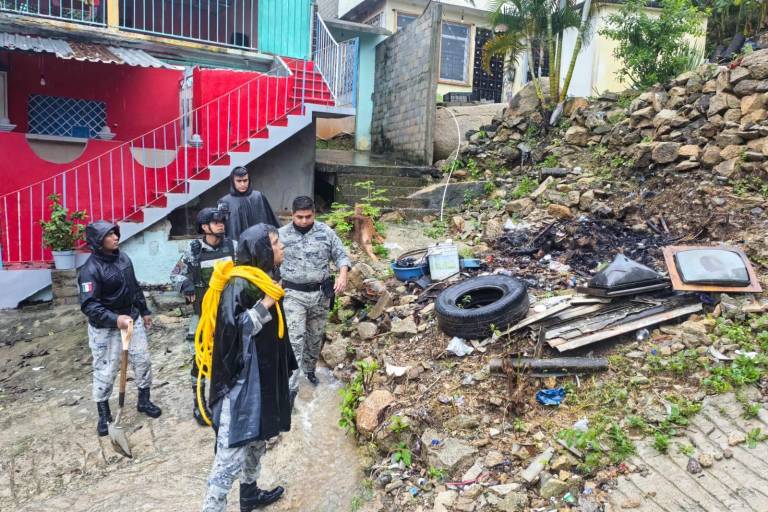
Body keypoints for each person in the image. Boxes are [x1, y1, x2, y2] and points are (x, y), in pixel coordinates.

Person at [196, 224, 297, 512]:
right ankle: (212, 507)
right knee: (231, 449)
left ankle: (250, 494)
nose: (282, 248)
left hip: (263, 376)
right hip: (242, 383)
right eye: (277, 244)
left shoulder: (264, 278)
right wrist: (265, 304)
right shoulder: (239, 284)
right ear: (263, 250)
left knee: (258, 438)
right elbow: (232, 333)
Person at [78, 220, 162, 437]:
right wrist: (115, 319)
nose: (116, 237)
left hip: (132, 319)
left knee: (142, 360)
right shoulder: (90, 270)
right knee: (106, 369)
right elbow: (89, 305)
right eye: (110, 235)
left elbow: (134, 287)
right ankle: (103, 413)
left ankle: (144, 400)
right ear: (98, 241)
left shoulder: (124, 258)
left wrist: (144, 311)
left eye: (115, 233)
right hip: (106, 328)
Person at [170, 205, 237, 425]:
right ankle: (199, 402)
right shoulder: (194, 251)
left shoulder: (232, 247)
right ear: (204, 227)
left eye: (222, 221)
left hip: (231, 313)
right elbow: (174, 276)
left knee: (232, 357)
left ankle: (230, 397)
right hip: (203, 316)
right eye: (216, 222)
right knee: (199, 359)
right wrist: (186, 285)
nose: (221, 225)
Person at [279, 196, 351, 397]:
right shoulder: (280, 235)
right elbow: (269, 261)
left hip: (320, 294)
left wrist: (343, 274)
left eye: (308, 217)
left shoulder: (326, 232)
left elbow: (341, 255)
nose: (303, 221)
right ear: (291, 215)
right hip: (293, 294)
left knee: (314, 337)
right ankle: (290, 387)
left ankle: (309, 370)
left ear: (314, 214)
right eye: (299, 217)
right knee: (294, 339)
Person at [218, 167, 280, 240]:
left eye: (245, 180)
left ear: (249, 180)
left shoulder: (258, 197)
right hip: (235, 245)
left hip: (260, 243)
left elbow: (272, 221)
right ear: (232, 181)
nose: (242, 184)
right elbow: (219, 226)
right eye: (239, 181)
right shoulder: (224, 201)